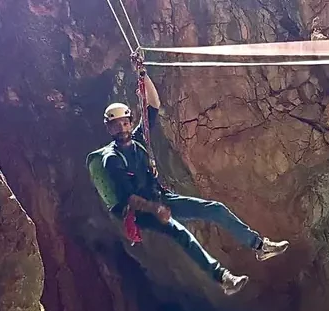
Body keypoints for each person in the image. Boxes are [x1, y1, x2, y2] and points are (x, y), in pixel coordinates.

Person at [86, 64, 289, 296]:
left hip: (160, 197)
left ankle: (259, 245)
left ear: (130, 123)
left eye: (124, 123)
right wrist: (156, 209)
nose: (122, 128)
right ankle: (222, 278)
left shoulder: (140, 138)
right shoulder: (111, 159)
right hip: (141, 211)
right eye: (116, 125)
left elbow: (153, 104)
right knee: (179, 232)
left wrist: (143, 75)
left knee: (215, 209)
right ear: (108, 128)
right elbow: (129, 198)